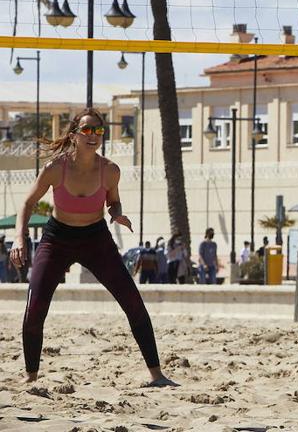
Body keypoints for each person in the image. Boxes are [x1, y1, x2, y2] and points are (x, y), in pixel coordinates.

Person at [11, 109, 175, 386]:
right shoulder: (55, 168)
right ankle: (31, 377)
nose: (93, 136)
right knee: (36, 306)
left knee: (132, 302)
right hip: (57, 239)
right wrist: (19, 238)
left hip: (96, 239)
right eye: (86, 130)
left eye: (98, 131)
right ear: (74, 133)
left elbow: (114, 201)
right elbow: (27, 203)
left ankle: (157, 374)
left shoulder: (109, 170)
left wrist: (117, 213)